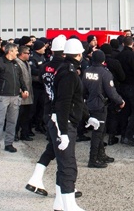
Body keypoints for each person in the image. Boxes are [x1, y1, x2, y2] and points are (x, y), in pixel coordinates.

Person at [50, 38, 99, 211]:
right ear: (79, 55)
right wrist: (63, 131)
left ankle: (60, 204)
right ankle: (69, 205)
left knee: (63, 164)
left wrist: (87, 117)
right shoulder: (70, 73)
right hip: (64, 123)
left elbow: (75, 100)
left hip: (65, 120)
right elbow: (64, 103)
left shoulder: (65, 69)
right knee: (68, 165)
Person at [82, 50, 125, 168]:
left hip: (89, 104)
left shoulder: (87, 71)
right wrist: (120, 101)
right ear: (103, 60)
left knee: (101, 131)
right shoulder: (105, 73)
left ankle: (101, 154)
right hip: (100, 105)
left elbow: (82, 90)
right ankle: (93, 159)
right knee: (98, 133)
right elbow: (111, 91)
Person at [0, 43, 29, 155]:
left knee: (12, 121)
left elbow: (20, 78)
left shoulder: (15, 64)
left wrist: (24, 89)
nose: (17, 53)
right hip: (2, 96)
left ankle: (9, 143)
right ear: (9, 51)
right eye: (15, 51)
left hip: (15, 97)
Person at [14, 45, 34, 141]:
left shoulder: (26, 63)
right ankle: (15, 134)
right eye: (27, 53)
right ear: (22, 54)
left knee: (27, 116)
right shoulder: (16, 63)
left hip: (29, 93)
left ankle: (24, 134)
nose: (29, 55)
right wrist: (20, 91)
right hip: (20, 94)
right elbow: (16, 79)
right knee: (18, 116)